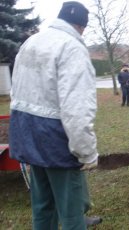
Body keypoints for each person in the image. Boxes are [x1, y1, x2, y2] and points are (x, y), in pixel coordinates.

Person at [9, 2, 101, 229]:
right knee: (71, 211)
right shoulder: (72, 48)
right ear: (81, 27)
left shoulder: (31, 42)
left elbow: (16, 90)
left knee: (43, 205)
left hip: (27, 132)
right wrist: (87, 153)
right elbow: (77, 109)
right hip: (55, 140)